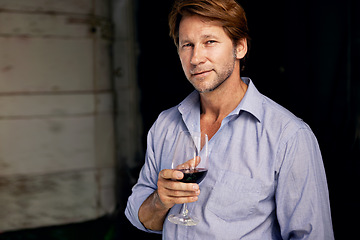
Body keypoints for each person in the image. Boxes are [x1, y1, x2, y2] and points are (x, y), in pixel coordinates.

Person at [125, 0, 334, 239]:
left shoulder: (289, 137)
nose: (195, 58)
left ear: (240, 47)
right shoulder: (165, 125)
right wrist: (160, 201)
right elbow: (138, 216)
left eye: (209, 42)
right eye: (187, 45)